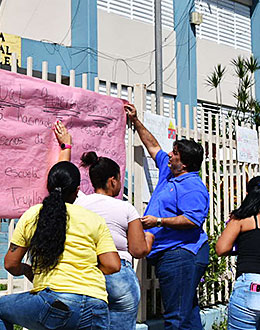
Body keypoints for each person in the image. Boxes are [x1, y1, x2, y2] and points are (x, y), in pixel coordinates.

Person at [0, 158, 121, 329]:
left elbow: (10, 263)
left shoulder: (34, 215)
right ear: (77, 191)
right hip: (96, 305)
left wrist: (26, 270)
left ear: (49, 188)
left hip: (55, 303)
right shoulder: (95, 220)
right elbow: (113, 265)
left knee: (1, 309)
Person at [54, 121, 153, 329]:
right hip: (120, 275)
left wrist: (66, 146)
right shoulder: (126, 209)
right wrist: (149, 238)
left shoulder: (79, 201)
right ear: (113, 181)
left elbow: (61, 176)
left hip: (87, 273)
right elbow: (138, 250)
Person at [125, 103, 209, 330]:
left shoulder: (192, 186)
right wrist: (136, 121)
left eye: (176, 153)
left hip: (181, 253)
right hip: (170, 253)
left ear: (185, 164)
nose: (170, 155)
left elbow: (193, 220)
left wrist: (158, 221)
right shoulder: (168, 172)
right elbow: (152, 147)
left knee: (176, 318)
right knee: (187, 313)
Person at [216, 176, 260, 330]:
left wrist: (242, 249)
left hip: (250, 286)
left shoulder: (242, 219)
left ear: (248, 195)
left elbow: (221, 249)